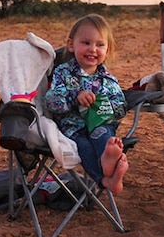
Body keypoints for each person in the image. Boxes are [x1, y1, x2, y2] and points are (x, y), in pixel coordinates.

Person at [45, 14, 129, 195]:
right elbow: (51, 101)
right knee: (82, 147)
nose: (92, 49)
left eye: (100, 45)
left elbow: (121, 107)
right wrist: (75, 97)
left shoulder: (108, 80)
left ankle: (107, 166)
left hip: (100, 125)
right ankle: (106, 174)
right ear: (71, 45)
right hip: (72, 129)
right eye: (86, 43)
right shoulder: (63, 73)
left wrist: (105, 106)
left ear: (107, 50)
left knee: (105, 137)